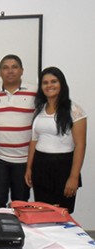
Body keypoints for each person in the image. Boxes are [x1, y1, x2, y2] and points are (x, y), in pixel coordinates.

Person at [25, 67, 87, 214]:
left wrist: (73, 177)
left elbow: (80, 145)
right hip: (40, 166)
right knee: (42, 213)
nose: (49, 85)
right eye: (45, 82)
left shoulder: (75, 111)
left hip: (63, 167)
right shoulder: (39, 109)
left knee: (61, 214)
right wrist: (29, 168)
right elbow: (34, 139)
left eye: (54, 81)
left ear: (62, 84)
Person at [0, 54, 37, 207]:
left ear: (22, 70)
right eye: (5, 68)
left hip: (24, 160)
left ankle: (19, 232)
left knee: (20, 205)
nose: (10, 71)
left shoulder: (36, 92)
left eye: (14, 67)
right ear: (0, 72)